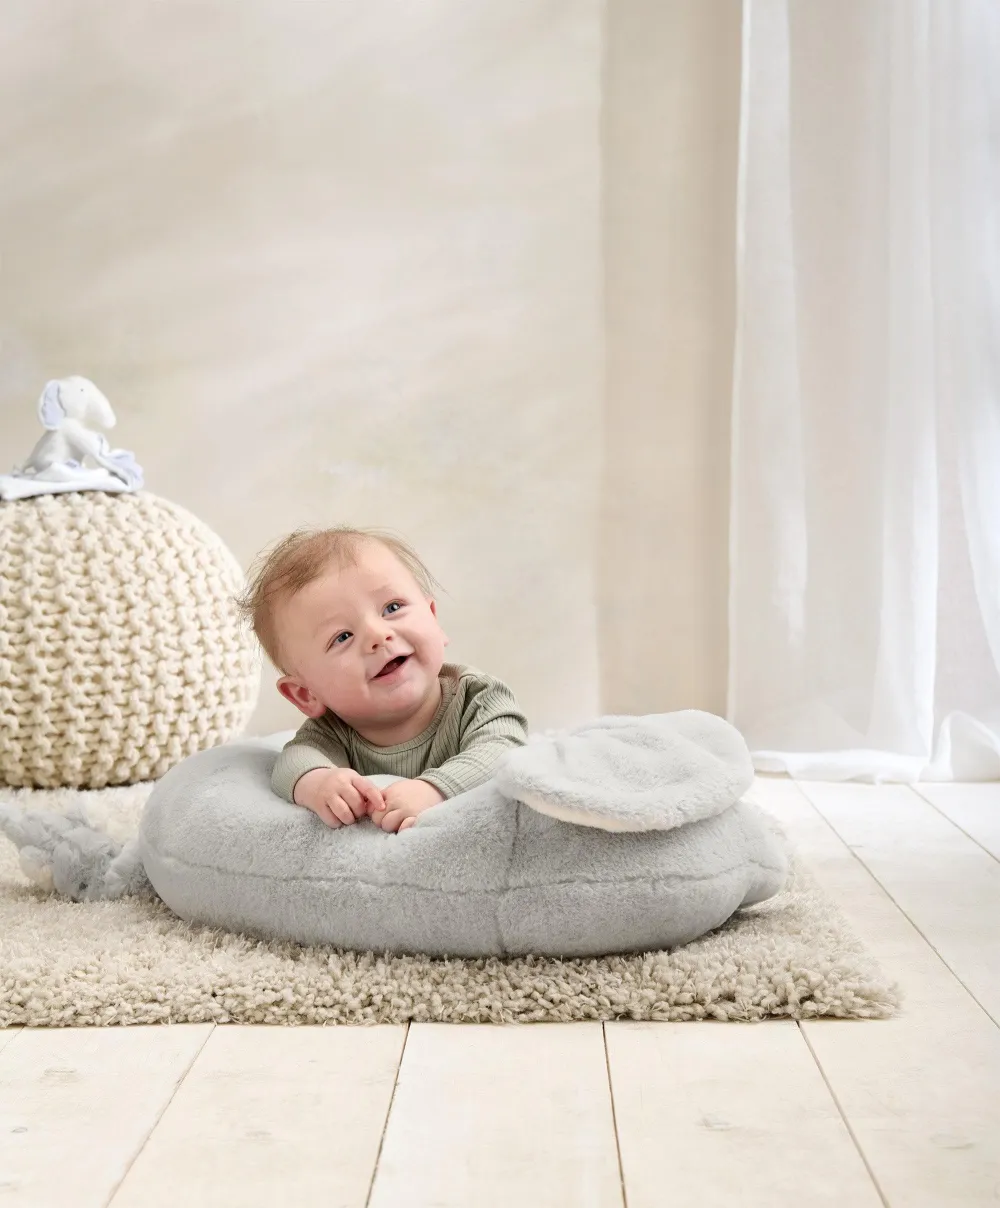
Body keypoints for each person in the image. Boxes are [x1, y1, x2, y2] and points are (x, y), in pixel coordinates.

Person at [236, 526, 528, 833]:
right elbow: (291, 764)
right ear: (305, 694)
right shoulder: (333, 733)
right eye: (343, 637)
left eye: (392, 608)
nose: (378, 635)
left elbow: (502, 752)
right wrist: (319, 783)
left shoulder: (478, 697)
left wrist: (433, 790)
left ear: (433, 618)